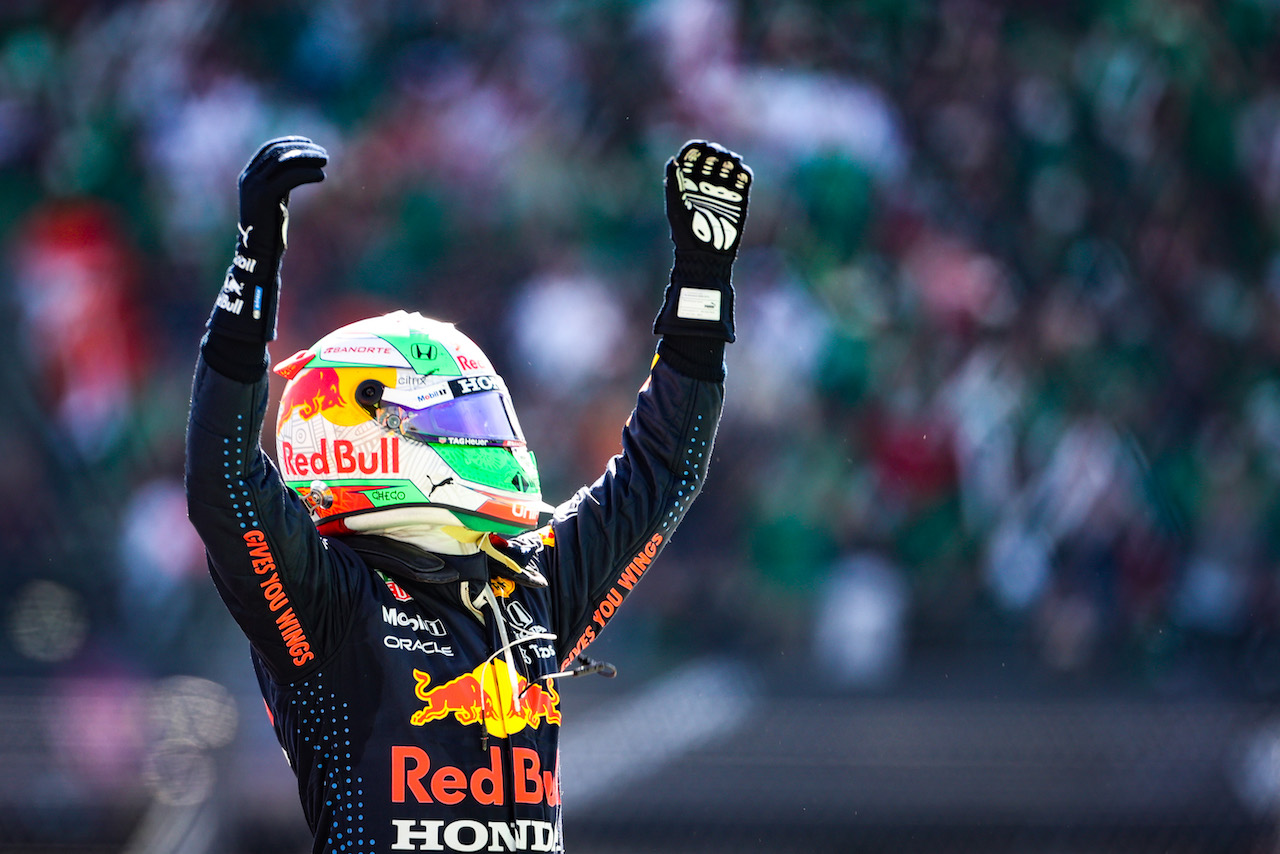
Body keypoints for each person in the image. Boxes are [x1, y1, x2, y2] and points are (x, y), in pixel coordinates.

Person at [185, 135, 750, 853]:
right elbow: (222, 477)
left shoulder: (527, 584)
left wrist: (702, 282)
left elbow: (662, 475)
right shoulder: (326, 597)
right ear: (360, 434)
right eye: (457, 419)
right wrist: (252, 269)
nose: (488, 442)